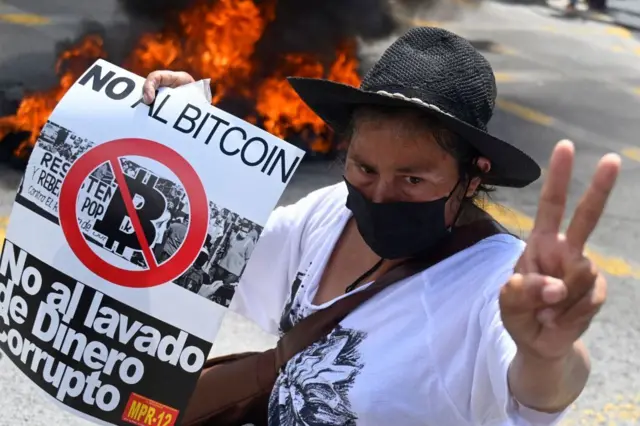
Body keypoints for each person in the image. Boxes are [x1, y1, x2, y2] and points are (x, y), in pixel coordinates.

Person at [142, 26, 620, 426]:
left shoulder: (500, 280)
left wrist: (548, 353)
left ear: (472, 178)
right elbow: (211, 257)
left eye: (412, 179)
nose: (380, 195)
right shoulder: (328, 211)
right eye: (364, 168)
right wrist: (176, 140)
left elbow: (538, 393)